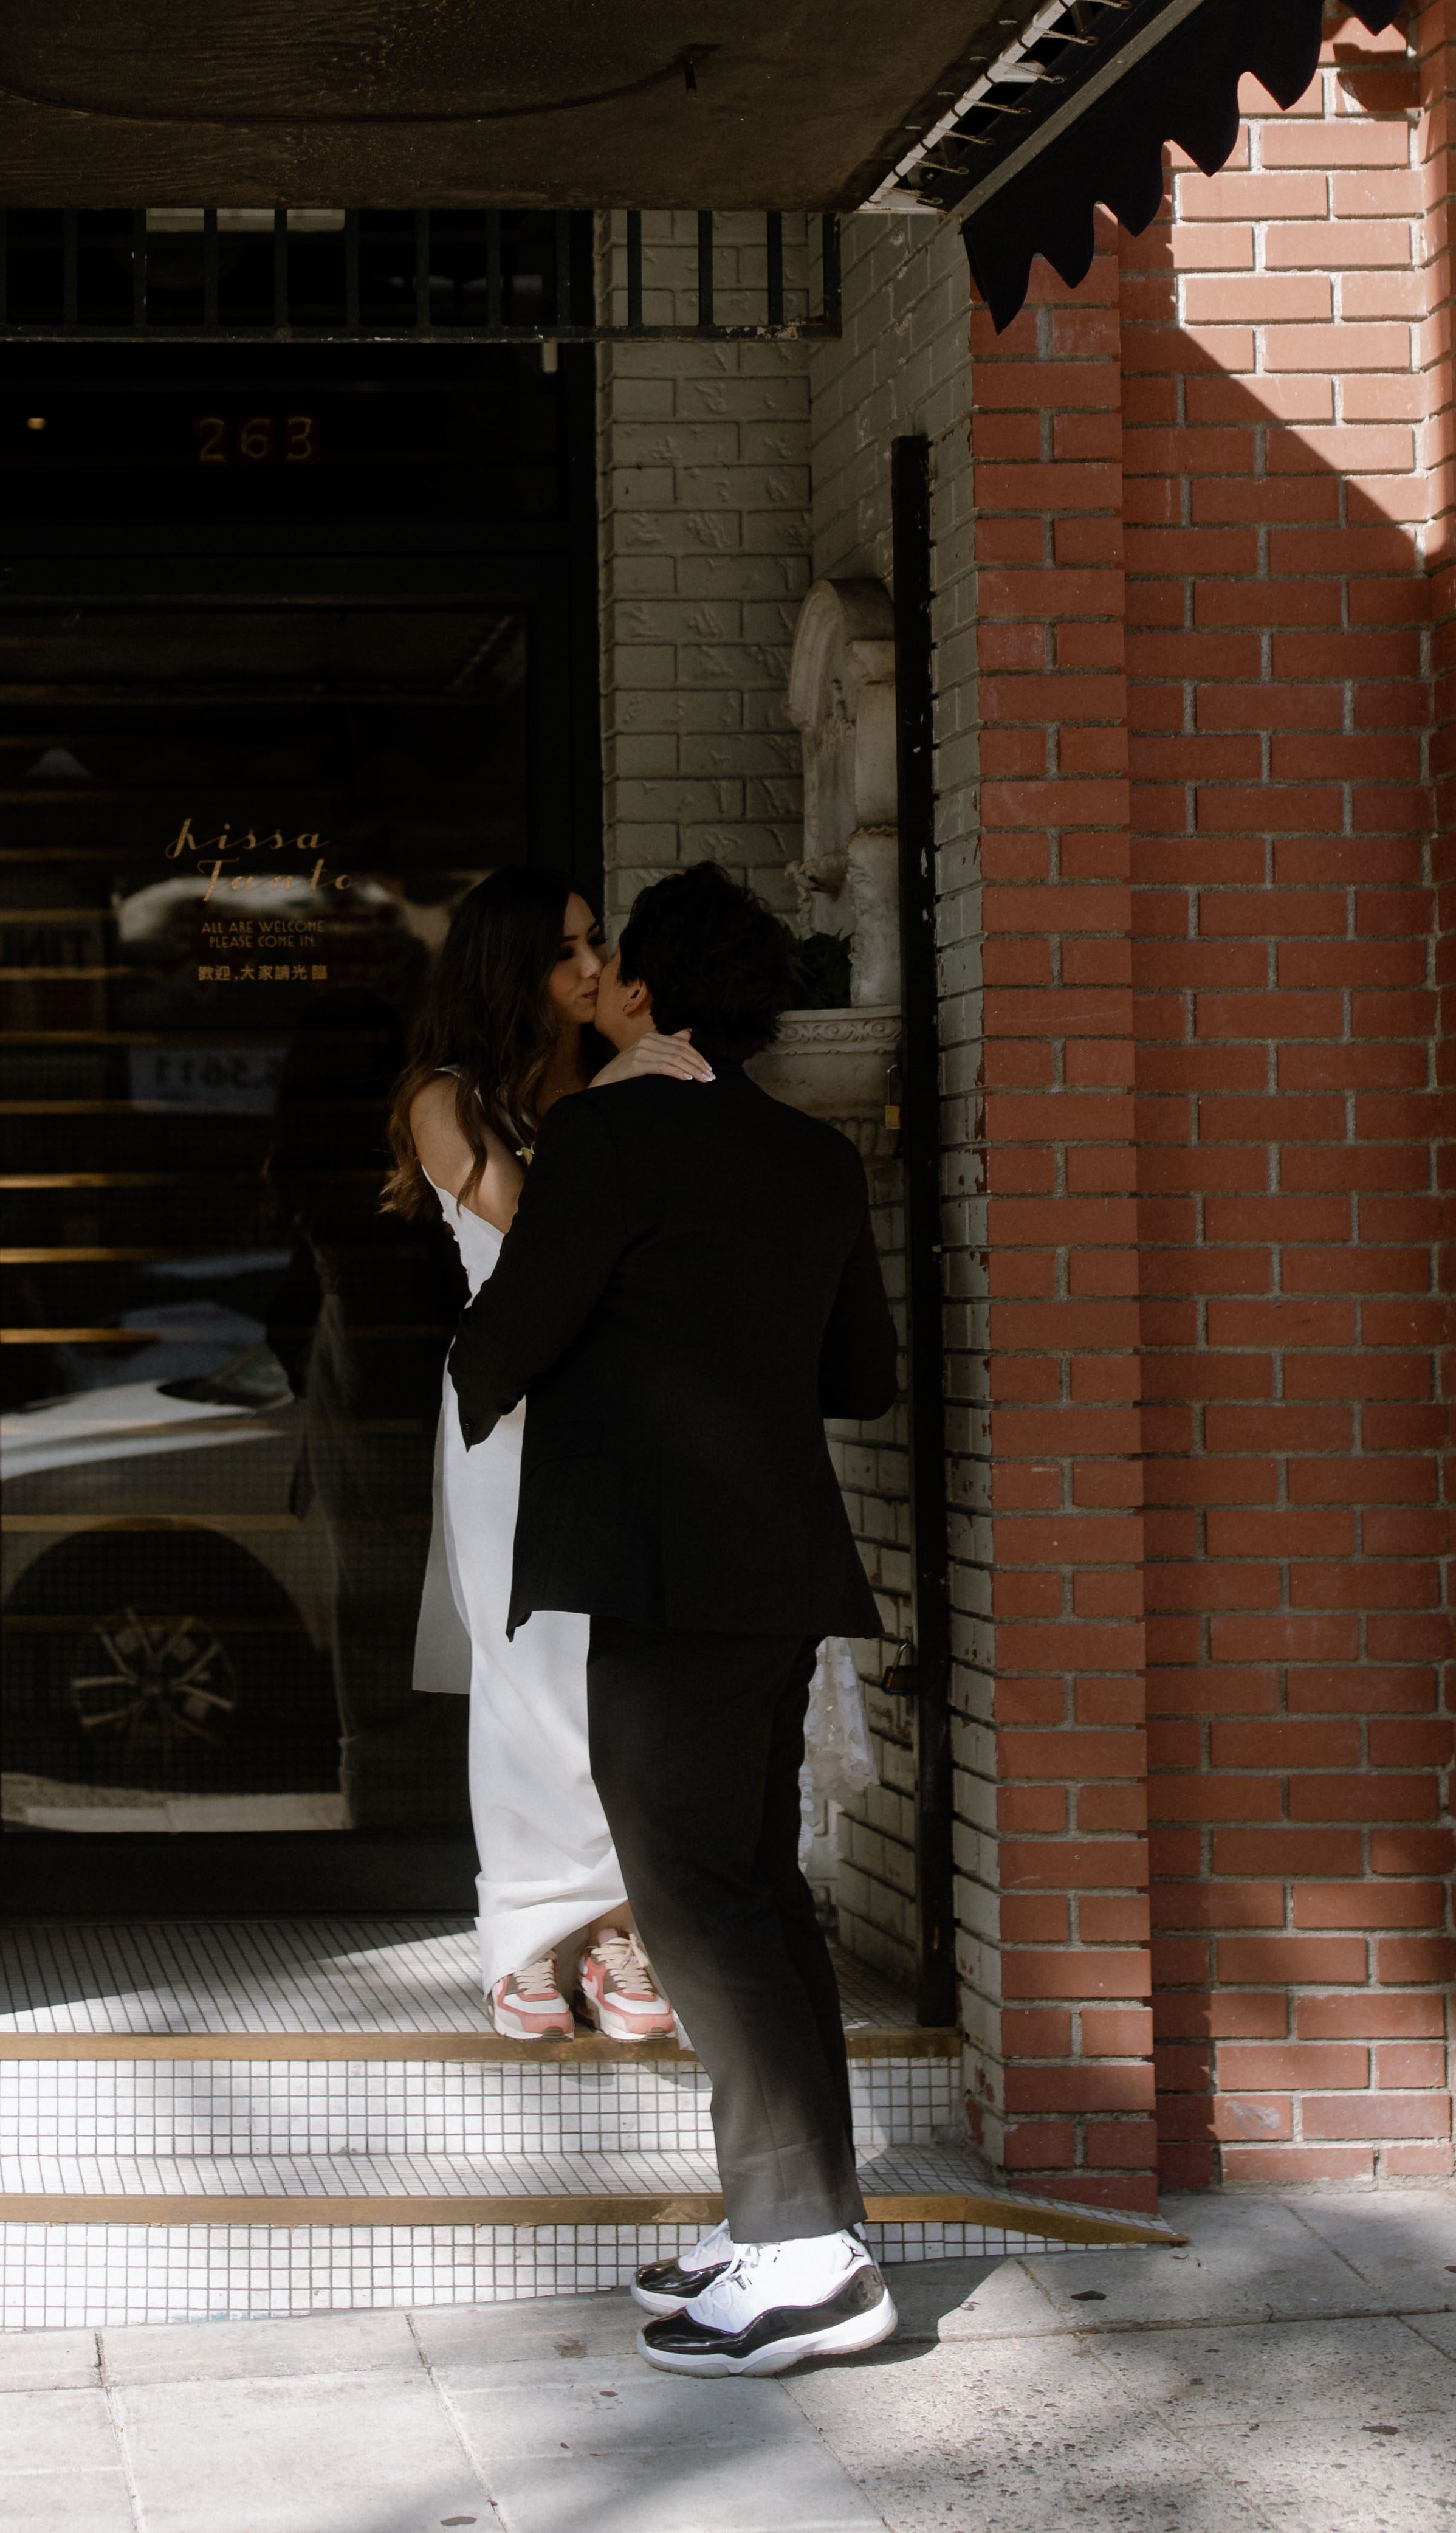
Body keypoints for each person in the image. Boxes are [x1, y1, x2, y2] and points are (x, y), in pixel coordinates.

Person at [448, 861, 902, 2380]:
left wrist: (492, 1367)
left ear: (645, 995)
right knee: (757, 1896)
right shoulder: (816, 1158)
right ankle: (796, 2213)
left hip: (661, 1575)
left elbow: (514, 1330)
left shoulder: (604, 1134)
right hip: (784, 1576)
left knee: (700, 1907)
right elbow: (860, 1378)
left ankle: (807, 2259)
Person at [383, 867, 706, 2042]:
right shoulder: (447, 1097)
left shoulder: (602, 1075)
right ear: (507, 966)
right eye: (565, 949)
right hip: (511, 1413)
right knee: (529, 1682)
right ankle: (536, 1937)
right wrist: (611, 1086)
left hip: (621, 1402)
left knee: (611, 1673)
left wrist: (628, 1059)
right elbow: (540, 1227)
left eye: (594, 943)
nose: (589, 966)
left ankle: (619, 1930)